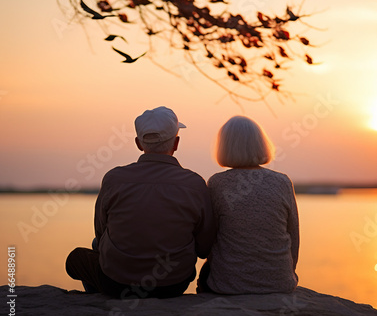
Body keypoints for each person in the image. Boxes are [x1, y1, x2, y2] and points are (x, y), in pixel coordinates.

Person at [66, 106, 216, 299]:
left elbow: (101, 233)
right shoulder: (195, 184)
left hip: (117, 284)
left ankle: (104, 303)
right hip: (173, 285)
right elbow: (204, 248)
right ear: (176, 143)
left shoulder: (114, 179)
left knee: (78, 257)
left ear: (138, 143)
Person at [197, 115, 299, 295]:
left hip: (230, 286)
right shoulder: (283, 182)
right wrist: (288, 273)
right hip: (280, 283)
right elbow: (293, 237)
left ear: (225, 146)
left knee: (204, 274)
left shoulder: (217, 183)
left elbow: (210, 239)